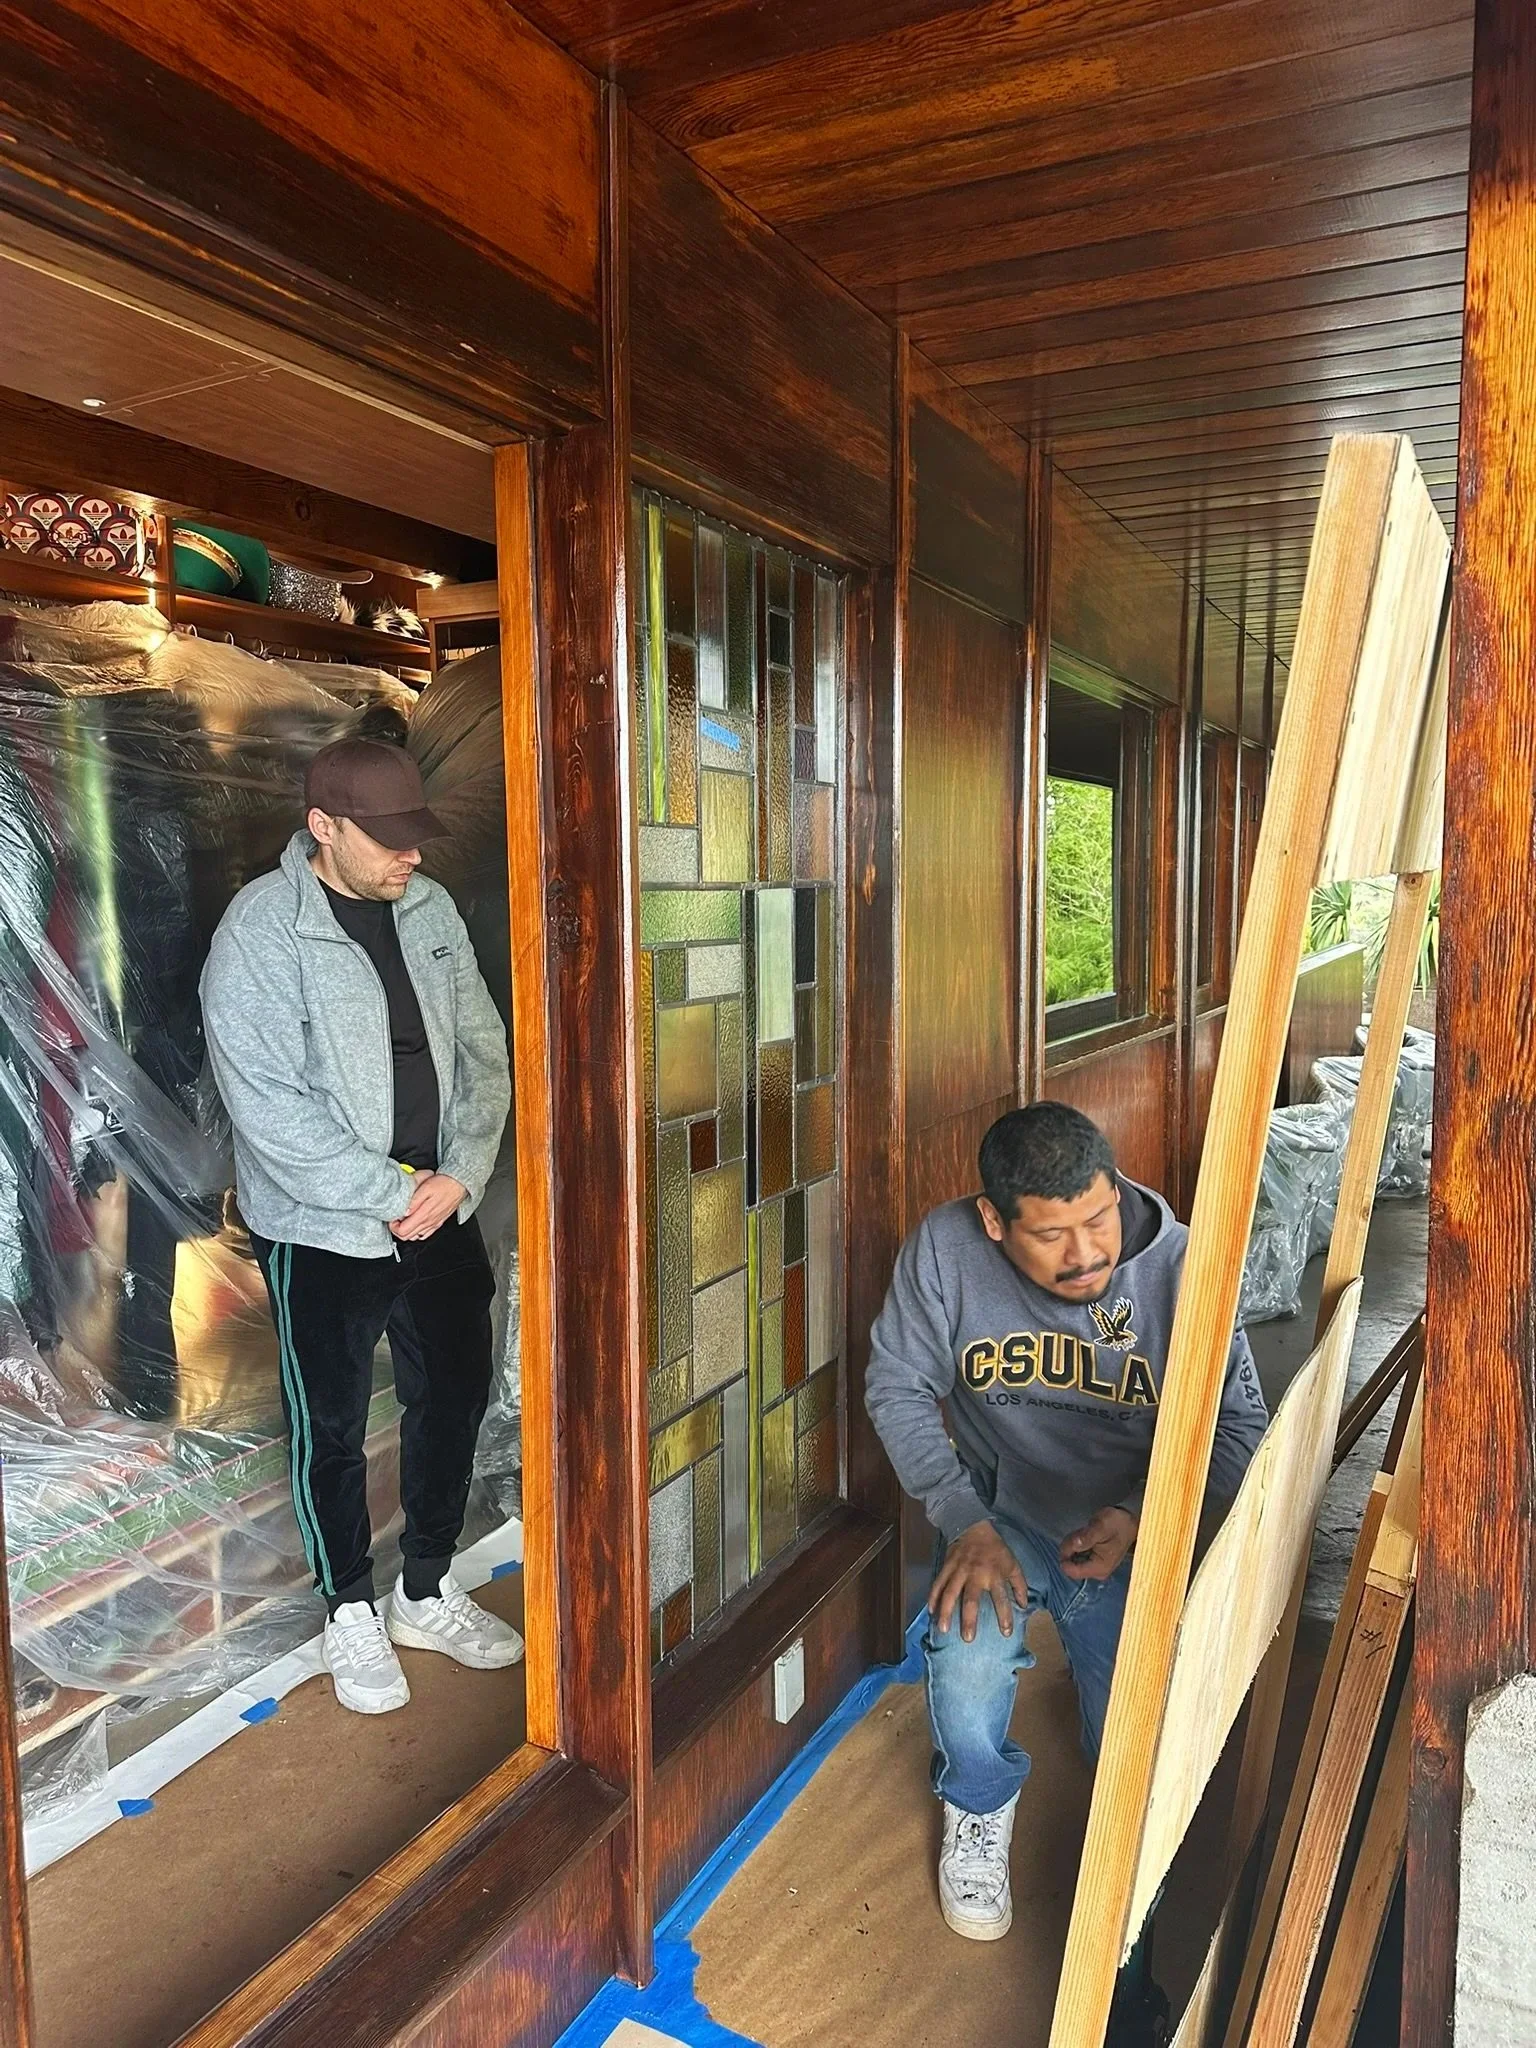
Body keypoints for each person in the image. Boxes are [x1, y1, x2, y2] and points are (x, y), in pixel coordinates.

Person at [866, 1103, 1268, 2040]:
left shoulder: (1183, 1265)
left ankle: (1126, 1862)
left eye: (1100, 1219)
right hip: (1000, 1517)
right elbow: (897, 1383)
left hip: (1131, 1526)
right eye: (1052, 1236)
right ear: (994, 1221)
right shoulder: (943, 1252)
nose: (1087, 1253)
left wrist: (1143, 1518)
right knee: (964, 1645)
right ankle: (974, 1802)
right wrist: (964, 1519)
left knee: (1123, 1735)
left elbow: (1239, 1428)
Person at [201, 738, 518, 1716]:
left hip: (437, 1207)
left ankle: (425, 1584)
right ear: (323, 827)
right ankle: (349, 1606)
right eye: (386, 841)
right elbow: (269, 1108)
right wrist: (388, 1185)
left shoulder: (426, 908)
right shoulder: (260, 933)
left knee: (455, 1393)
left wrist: (459, 1171)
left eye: (415, 836)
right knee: (330, 1426)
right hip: (324, 1224)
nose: (409, 857)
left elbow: (482, 1047)